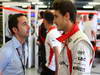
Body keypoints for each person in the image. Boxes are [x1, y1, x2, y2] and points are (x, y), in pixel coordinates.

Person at [53, 0, 95, 75]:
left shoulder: (80, 43)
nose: (54, 21)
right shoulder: (69, 39)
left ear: (67, 16)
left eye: (56, 16)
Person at [40, 11, 62, 75]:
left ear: (44, 20)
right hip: (51, 67)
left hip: (51, 68)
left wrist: (57, 71)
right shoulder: (54, 31)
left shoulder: (52, 34)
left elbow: (57, 52)